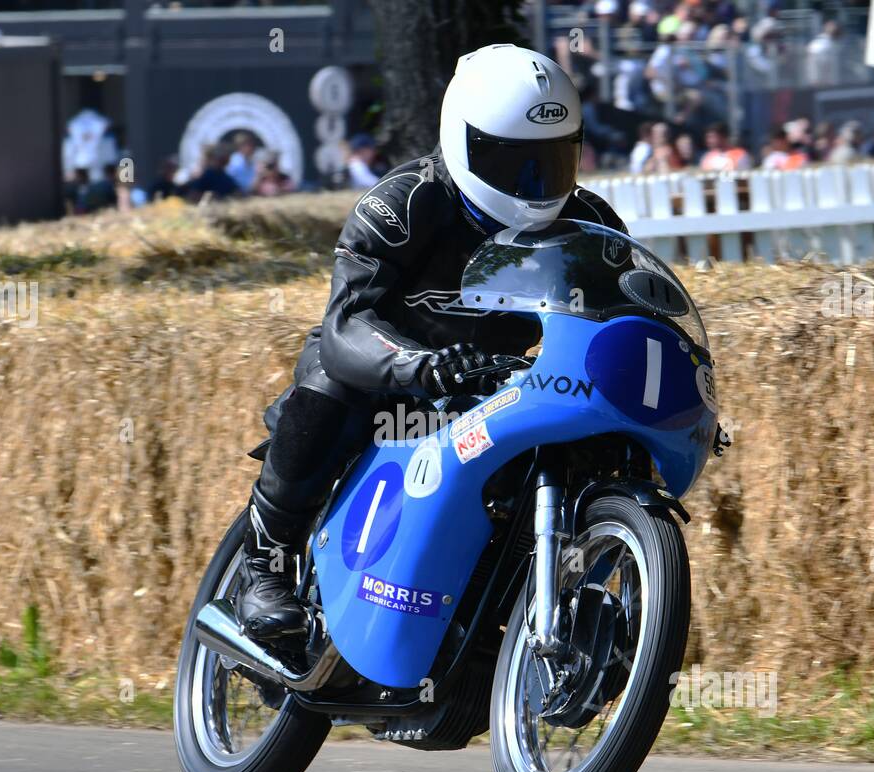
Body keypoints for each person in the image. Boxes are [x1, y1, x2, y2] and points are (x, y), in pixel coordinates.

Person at [232, 44, 628, 638]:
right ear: (463, 141)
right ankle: (264, 563)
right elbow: (346, 324)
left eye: (551, 161)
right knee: (326, 383)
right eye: (514, 162)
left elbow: (623, 319)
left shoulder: (591, 225)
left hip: (501, 390)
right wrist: (419, 366)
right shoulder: (404, 204)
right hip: (390, 381)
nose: (536, 183)